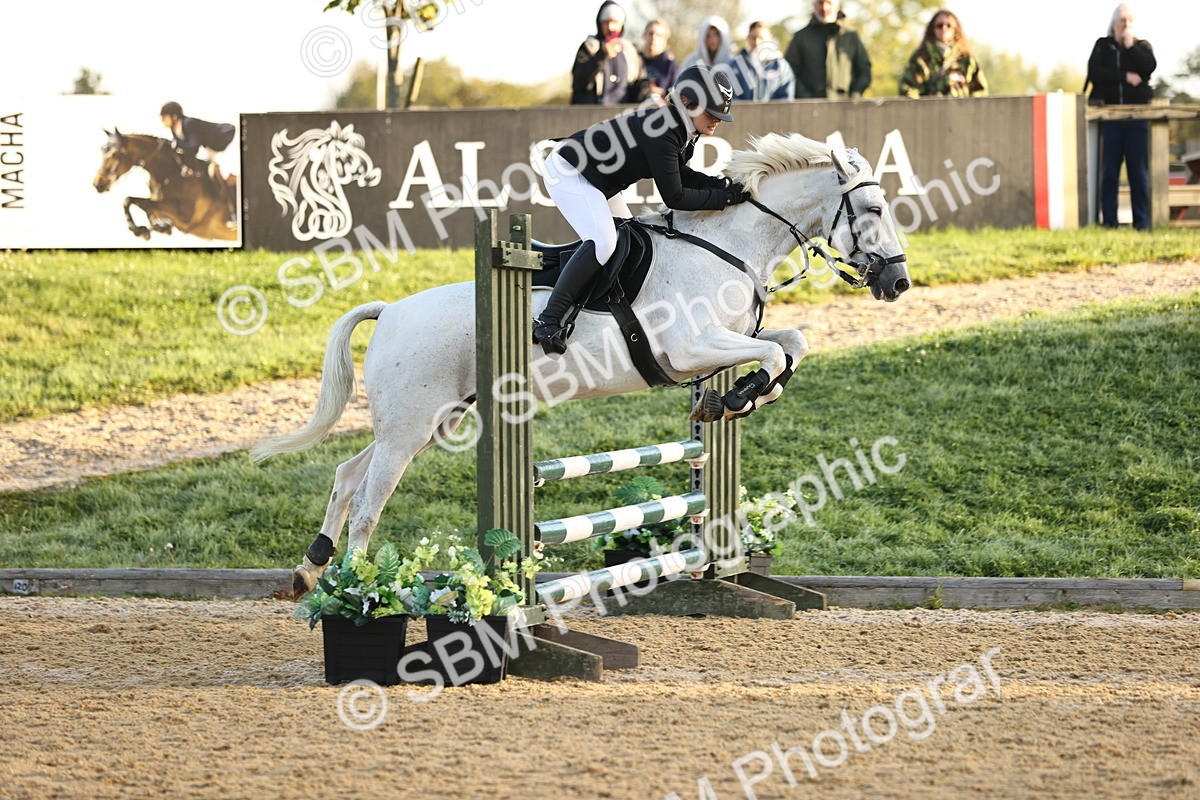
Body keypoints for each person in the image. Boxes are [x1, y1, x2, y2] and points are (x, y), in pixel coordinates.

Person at [533, 64, 752, 355]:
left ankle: (605, 309)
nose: (716, 121)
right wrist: (725, 198)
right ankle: (547, 320)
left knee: (629, 239)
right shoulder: (665, 130)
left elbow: (683, 176)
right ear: (686, 103)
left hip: (597, 179)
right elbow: (675, 197)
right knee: (604, 242)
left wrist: (724, 185)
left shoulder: (682, 129)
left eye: (719, 115)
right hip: (569, 171)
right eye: (711, 112)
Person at [1087, 3, 1156, 230]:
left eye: (1129, 22)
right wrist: (1125, 76)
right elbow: (1095, 73)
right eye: (1121, 21)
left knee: (1139, 173)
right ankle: (1109, 223)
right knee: (1109, 173)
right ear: (1113, 24)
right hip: (1111, 119)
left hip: (1137, 119)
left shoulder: (1142, 47)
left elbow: (1149, 67)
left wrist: (1129, 47)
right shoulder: (1102, 46)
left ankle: (1142, 224)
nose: (1125, 25)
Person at [160, 101, 236, 222]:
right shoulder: (174, 130)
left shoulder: (189, 123)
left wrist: (176, 147)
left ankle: (235, 212)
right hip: (213, 148)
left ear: (174, 116)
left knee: (225, 176)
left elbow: (193, 146)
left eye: (164, 116)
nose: (162, 120)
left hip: (228, 141)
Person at [784, 0, 872, 99]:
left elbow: (864, 70)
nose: (824, 8)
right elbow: (788, 72)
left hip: (845, 107)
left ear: (837, 6)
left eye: (828, 3)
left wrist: (855, 95)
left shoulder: (850, 36)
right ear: (814, 5)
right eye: (820, 3)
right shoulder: (800, 37)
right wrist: (806, 97)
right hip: (809, 108)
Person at [571, 1, 646, 106]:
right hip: (593, 113)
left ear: (622, 24)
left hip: (623, 116)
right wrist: (602, 56)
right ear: (599, 24)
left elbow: (640, 81)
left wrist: (649, 92)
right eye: (606, 22)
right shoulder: (590, 47)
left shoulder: (630, 50)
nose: (611, 27)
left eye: (615, 22)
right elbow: (579, 81)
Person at [899, 10, 988, 97]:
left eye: (948, 25)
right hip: (931, 110)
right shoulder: (920, 58)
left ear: (955, 29)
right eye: (939, 25)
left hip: (961, 110)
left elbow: (980, 92)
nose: (944, 28)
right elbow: (907, 90)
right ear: (933, 29)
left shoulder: (966, 58)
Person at [729, 21, 796, 101]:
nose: (757, 42)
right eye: (753, 38)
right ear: (748, 38)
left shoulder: (781, 67)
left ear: (769, 39)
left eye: (761, 38)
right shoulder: (736, 66)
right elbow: (731, 98)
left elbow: (785, 98)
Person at [639, 19, 680, 101]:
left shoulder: (671, 66)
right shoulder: (635, 61)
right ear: (644, 36)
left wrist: (663, 94)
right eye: (651, 33)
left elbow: (677, 95)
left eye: (658, 35)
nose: (653, 38)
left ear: (665, 40)